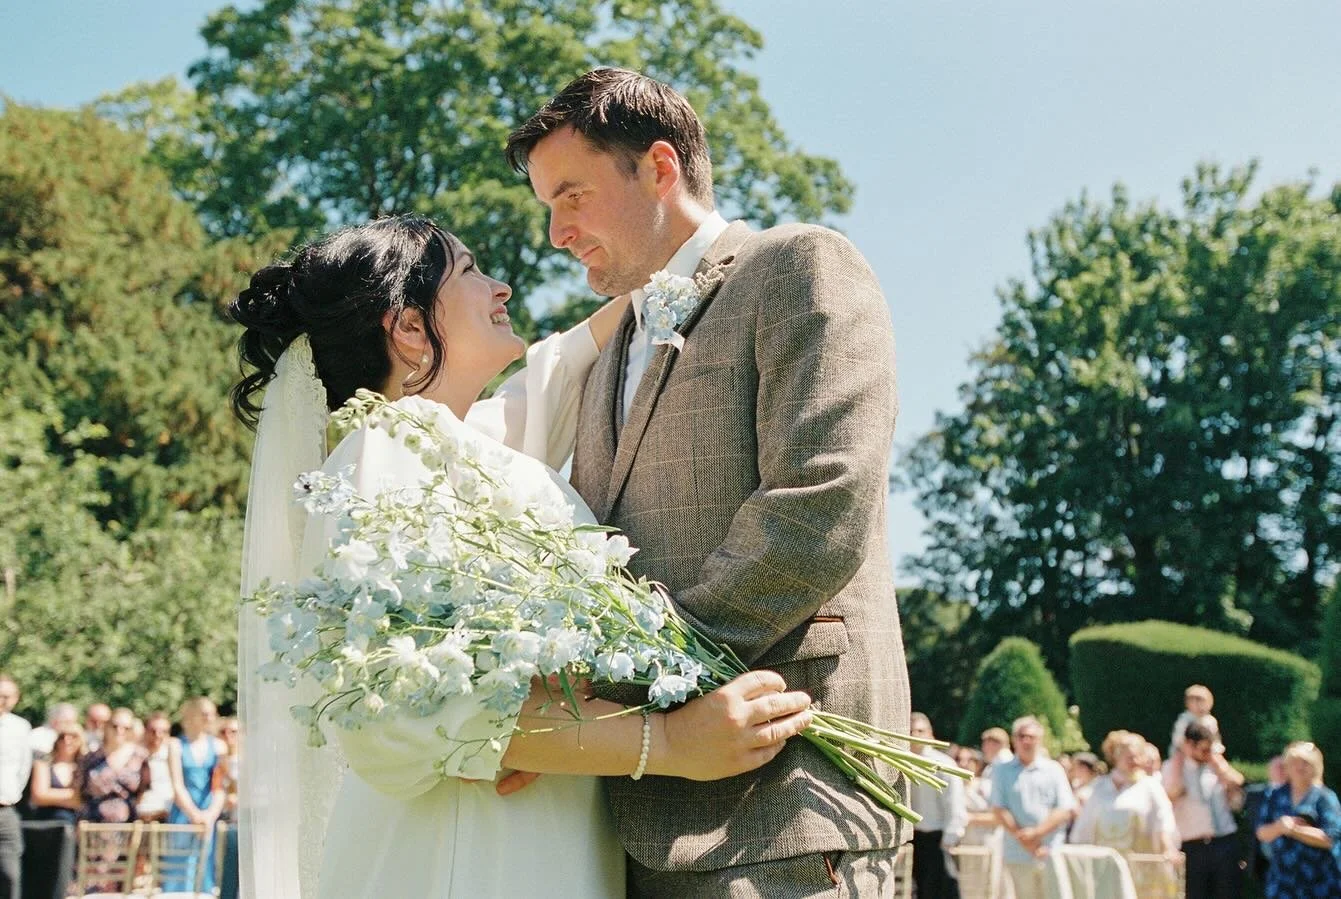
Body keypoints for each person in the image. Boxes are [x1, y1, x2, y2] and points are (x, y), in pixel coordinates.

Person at [231, 215, 815, 899]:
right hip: (465, 848)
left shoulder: (470, 443)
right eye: (471, 270)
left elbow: (559, 366)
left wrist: (696, 241)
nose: (501, 285)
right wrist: (668, 741)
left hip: (538, 827)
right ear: (411, 328)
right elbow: (394, 714)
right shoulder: (381, 451)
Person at [507, 65, 907, 896]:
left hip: (785, 802)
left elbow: (816, 507)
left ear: (658, 167)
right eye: (548, 206)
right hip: (637, 821)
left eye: (571, 196)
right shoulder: (605, 351)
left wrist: (614, 693)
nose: (556, 232)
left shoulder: (800, 266)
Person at [1071, 730, 1179, 897]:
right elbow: (1085, 826)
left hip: (1140, 867)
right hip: (1106, 867)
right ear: (1115, 756)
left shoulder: (1150, 787)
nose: (1134, 761)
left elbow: (1163, 820)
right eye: (1129, 757)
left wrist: (1167, 848)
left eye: (1137, 756)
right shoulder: (1100, 787)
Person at [990, 715, 1075, 899]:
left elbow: (1064, 809)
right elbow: (998, 808)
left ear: (1040, 740)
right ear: (1014, 740)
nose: (1026, 741)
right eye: (1021, 736)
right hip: (1016, 853)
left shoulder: (1054, 770)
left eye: (1031, 737)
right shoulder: (1001, 770)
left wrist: (1037, 834)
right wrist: (1025, 839)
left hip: (1049, 850)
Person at [1162, 719, 1244, 899]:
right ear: (1189, 745)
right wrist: (1178, 759)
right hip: (1193, 845)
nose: (1207, 754)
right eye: (1203, 749)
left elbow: (1237, 783)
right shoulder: (1172, 768)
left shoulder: (1215, 767)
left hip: (1223, 841)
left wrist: (1219, 764)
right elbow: (1170, 795)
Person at [76, 707, 151, 895]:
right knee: (90, 882)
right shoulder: (92, 757)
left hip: (125, 829)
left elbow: (143, 790)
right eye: (115, 726)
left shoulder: (139, 756)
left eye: (126, 727)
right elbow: (81, 789)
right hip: (94, 828)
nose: (120, 731)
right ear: (107, 727)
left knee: (120, 884)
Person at [1254, 741, 1341, 898]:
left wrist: (1294, 830)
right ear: (1287, 767)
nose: (1299, 767)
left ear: (1315, 767)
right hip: (1282, 883)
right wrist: (1280, 827)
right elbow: (1261, 832)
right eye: (1294, 763)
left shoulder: (1325, 797)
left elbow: (1331, 838)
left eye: (1305, 763)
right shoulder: (1275, 795)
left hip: (1319, 883)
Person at [165, 697, 226, 893]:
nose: (210, 717)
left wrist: (209, 815)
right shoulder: (175, 745)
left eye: (211, 713)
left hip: (208, 813)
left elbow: (219, 787)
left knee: (205, 866)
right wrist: (194, 815)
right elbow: (177, 785)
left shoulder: (219, 747)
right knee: (179, 867)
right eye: (204, 713)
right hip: (183, 813)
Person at [908, 713, 965, 899]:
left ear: (930, 733)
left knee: (944, 890)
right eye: (911, 730)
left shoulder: (943, 763)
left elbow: (954, 803)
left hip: (938, 837)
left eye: (920, 730)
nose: (915, 734)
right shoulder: (902, 761)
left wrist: (950, 837)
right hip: (913, 839)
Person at [0, 675, 30, 899]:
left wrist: (11, 795)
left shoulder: (20, 727)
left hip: (6, 810)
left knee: (10, 875)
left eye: (6, 696)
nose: (1, 700)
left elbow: (23, 768)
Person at [27, 724, 84, 823]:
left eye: (73, 736)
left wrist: (52, 795)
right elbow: (39, 796)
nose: (67, 740)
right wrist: (75, 797)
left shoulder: (85, 766)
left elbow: (87, 799)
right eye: (62, 736)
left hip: (78, 825)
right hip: (48, 824)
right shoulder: (43, 764)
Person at [135, 711, 174, 823]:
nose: (158, 735)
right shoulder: (135, 757)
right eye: (153, 731)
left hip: (167, 816)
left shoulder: (174, 758)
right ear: (145, 731)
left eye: (163, 731)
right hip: (140, 817)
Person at [1171, 685, 1222, 757]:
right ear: (1188, 704)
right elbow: (1178, 739)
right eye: (1193, 701)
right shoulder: (1184, 719)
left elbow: (1215, 739)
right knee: (1177, 760)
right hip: (1185, 752)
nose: (1198, 705)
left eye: (1202, 701)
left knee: (1218, 760)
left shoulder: (1210, 721)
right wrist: (1191, 750)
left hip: (1206, 752)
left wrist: (1215, 749)